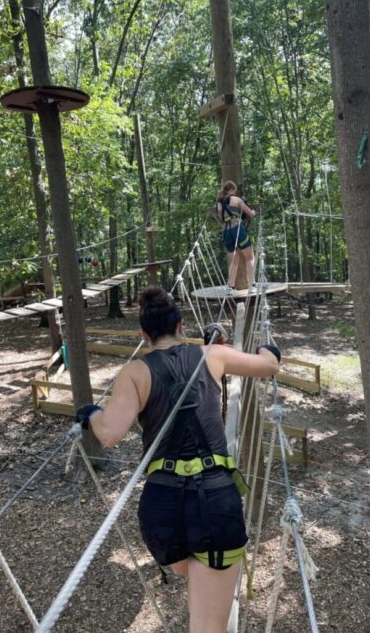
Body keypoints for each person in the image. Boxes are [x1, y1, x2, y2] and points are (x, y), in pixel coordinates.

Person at [76, 287, 280, 633]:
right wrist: (267, 347)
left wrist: (92, 413)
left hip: (162, 508)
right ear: (181, 325)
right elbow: (269, 366)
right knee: (207, 622)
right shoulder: (211, 354)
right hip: (216, 501)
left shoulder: (135, 372)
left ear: (144, 334)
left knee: (199, 587)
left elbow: (109, 433)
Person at [216, 180, 256, 293]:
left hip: (226, 231)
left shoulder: (219, 202)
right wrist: (253, 211)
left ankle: (231, 287)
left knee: (234, 261)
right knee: (250, 257)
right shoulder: (237, 200)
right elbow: (250, 214)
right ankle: (252, 285)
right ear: (232, 189)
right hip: (237, 228)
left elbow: (220, 216)